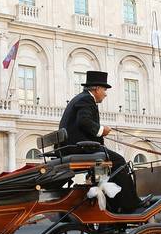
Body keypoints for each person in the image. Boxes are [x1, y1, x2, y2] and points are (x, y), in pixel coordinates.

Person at [57, 70, 146, 213]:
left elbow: (82, 126)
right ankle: (130, 204)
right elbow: (84, 122)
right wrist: (101, 130)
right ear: (96, 88)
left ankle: (113, 203)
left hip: (73, 146)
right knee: (120, 162)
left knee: (108, 164)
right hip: (79, 148)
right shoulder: (86, 99)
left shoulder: (80, 98)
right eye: (104, 89)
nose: (105, 93)